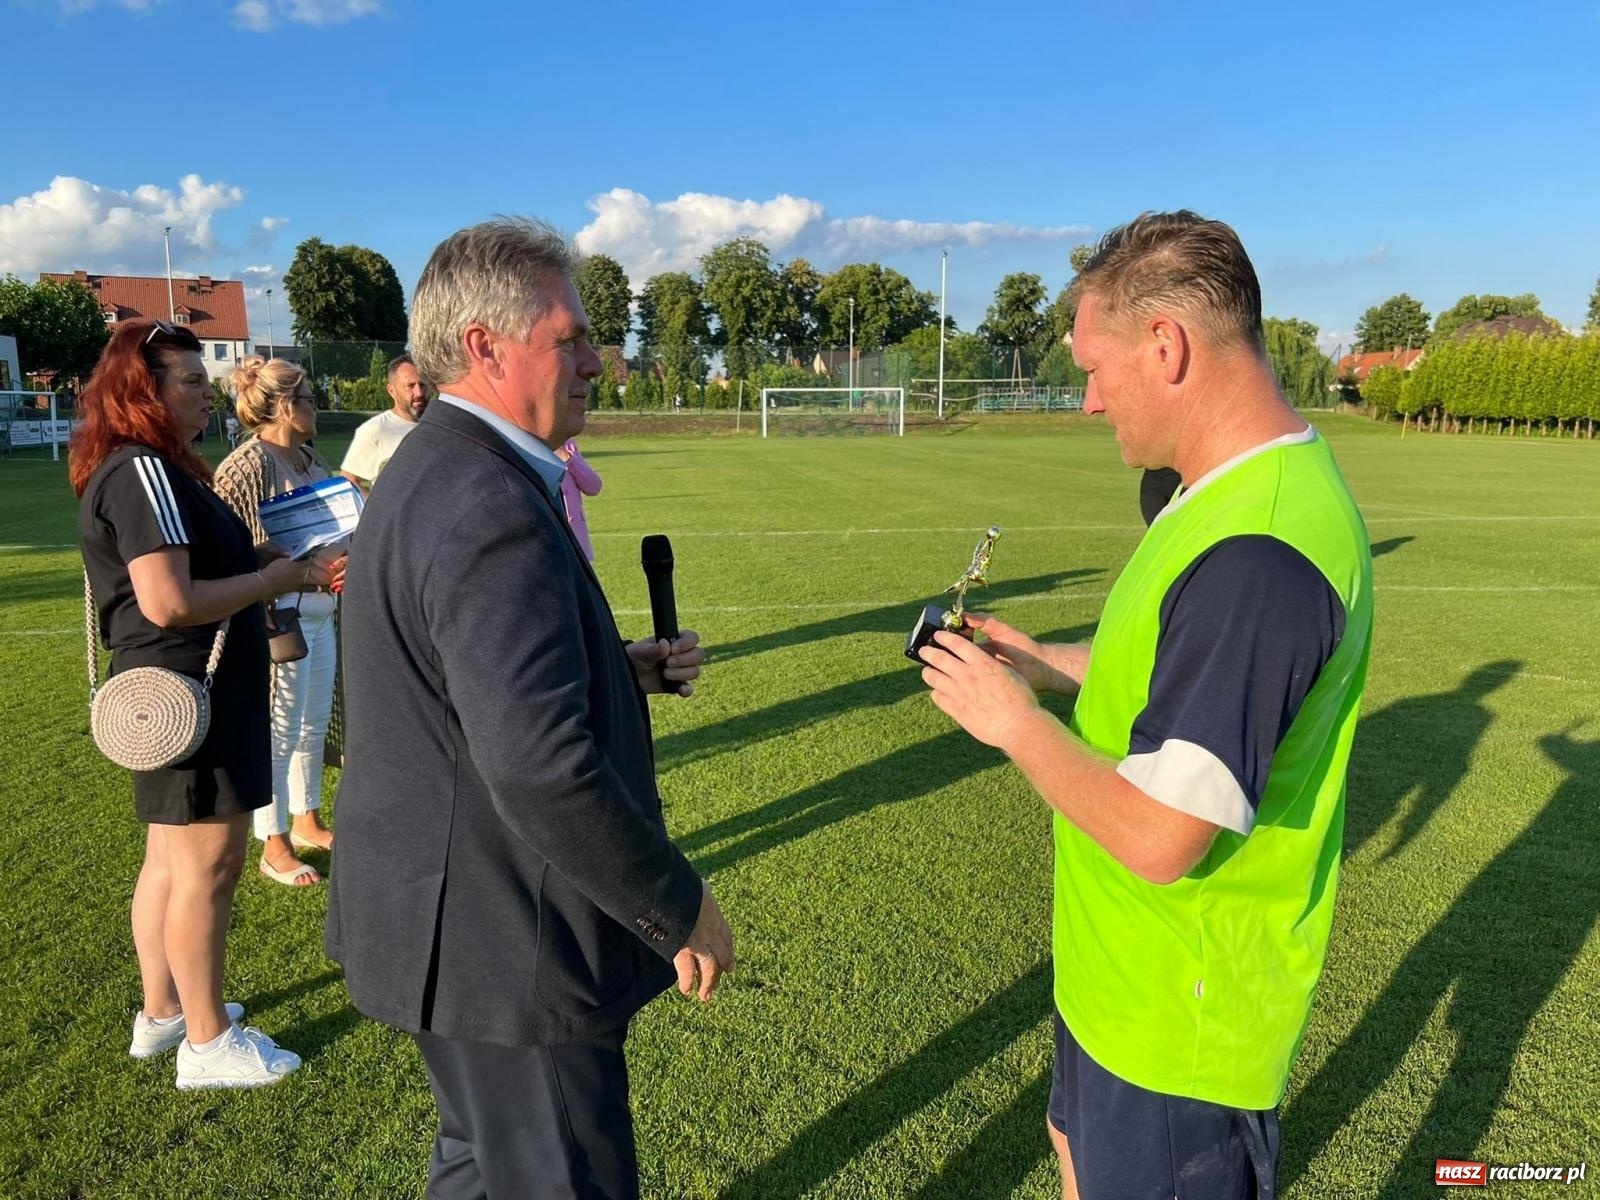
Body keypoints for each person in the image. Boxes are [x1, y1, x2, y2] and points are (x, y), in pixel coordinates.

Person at [917, 211, 1373, 1200]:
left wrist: (1011, 720)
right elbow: (1172, 671)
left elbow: (1166, 837)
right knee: (1074, 1154)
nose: (1088, 399)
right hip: (1117, 984)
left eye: (1094, 367)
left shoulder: (1259, 554)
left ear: (1165, 347)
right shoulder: (1213, 497)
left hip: (1179, 1031)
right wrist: (1045, 663)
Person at [326, 218, 734, 1199]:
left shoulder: (436, 465)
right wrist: (676, 905)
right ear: (485, 346)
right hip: (506, 941)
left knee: (480, 1166)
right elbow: (539, 766)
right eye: (572, 337)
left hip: (459, 930)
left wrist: (613, 671)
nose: (597, 361)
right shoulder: (486, 499)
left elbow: (455, 691)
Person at [72, 319, 330, 1089]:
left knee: (168, 860)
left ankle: (164, 1014)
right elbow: (169, 600)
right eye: (189, 381)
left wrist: (261, 558)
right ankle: (209, 1043)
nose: (206, 394)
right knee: (206, 867)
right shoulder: (143, 471)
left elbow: (191, 571)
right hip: (191, 694)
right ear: (141, 390)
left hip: (179, 692)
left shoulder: (151, 468)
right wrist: (275, 580)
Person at [213, 357, 348, 888]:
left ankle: (307, 819)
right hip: (276, 619)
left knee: (311, 724)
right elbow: (225, 548)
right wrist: (278, 568)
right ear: (287, 406)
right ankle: (273, 843)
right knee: (278, 729)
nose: (317, 407)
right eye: (309, 398)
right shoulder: (246, 465)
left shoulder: (311, 458)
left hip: (321, 610)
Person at [339, 353, 428, 493]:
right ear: (392, 391)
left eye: (423, 385)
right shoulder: (375, 430)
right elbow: (349, 480)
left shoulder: (440, 425)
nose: (419, 393)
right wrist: (377, 506)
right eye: (410, 386)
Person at [555, 436, 602, 561]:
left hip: (577, 545)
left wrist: (568, 459)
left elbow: (594, 487)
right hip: (550, 541)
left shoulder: (567, 445)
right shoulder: (525, 446)